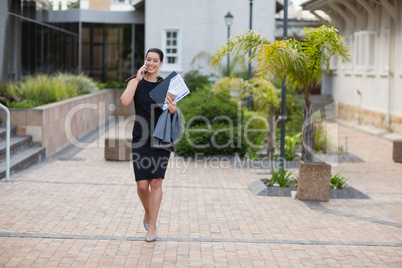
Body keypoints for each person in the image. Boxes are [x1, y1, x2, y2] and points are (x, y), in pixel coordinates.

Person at [121, 48, 177, 242]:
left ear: (161, 63)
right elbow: (125, 101)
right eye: (149, 59)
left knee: (156, 182)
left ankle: (152, 226)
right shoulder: (135, 82)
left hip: (161, 139)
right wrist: (136, 80)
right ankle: (148, 213)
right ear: (145, 61)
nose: (151, 63)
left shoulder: (167, 86)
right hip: (140, 138)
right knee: (142, 185)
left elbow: (172, 114)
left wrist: (172, 110)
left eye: (155, 60)